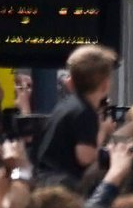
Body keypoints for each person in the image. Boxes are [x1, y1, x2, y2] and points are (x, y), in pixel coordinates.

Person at [34, 43, 116, 189]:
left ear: (70, 82)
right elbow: (85, 157)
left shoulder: (65, 106)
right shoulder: (85, 111)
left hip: (44, 181)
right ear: (104, 85)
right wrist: (104, 134)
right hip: (62, 186)